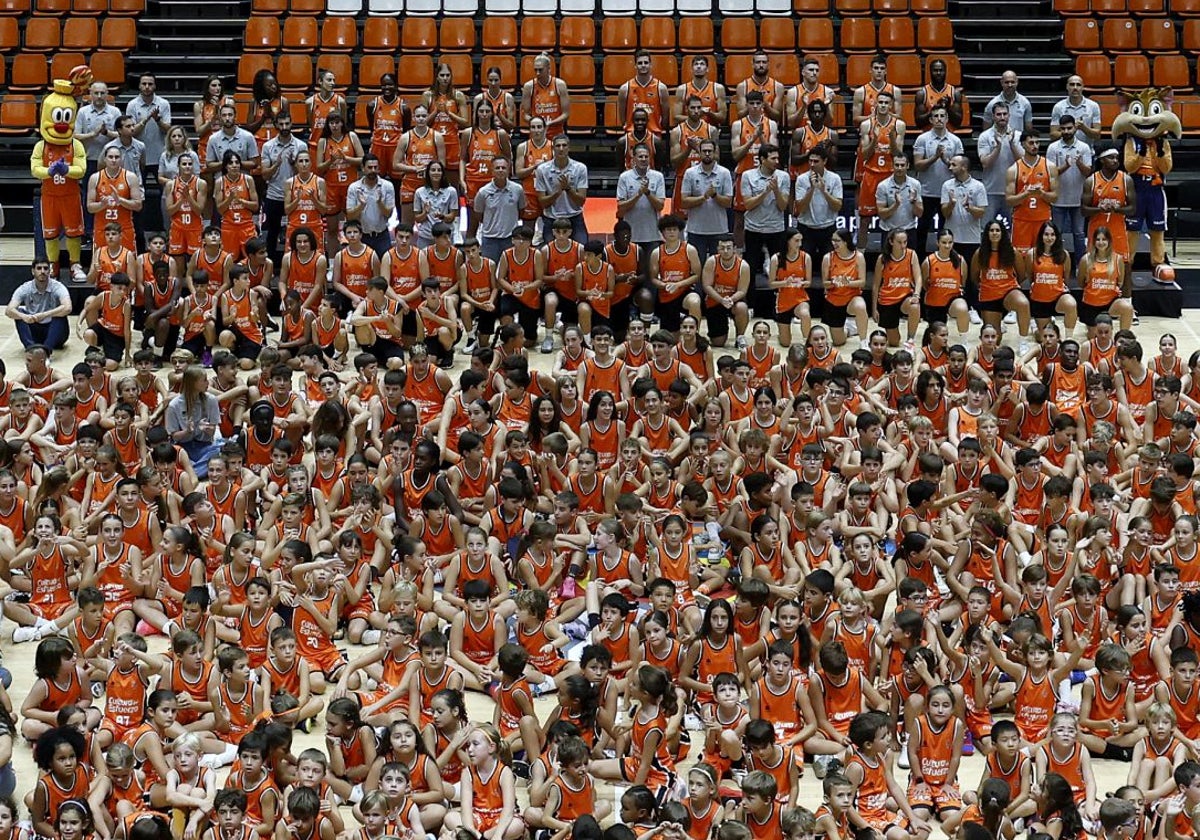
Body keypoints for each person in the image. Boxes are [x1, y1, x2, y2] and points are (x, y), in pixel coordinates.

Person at [740, 143, 789, 315]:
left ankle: (780, 305)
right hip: (754, 228)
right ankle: (751, 306)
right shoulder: (747, 176)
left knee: (779, 269)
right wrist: (765, 192)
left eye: (778, 158)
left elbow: (783, 207)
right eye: (773, 158)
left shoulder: (783, 176)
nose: (777, 161)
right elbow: (748, 204)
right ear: (762, 159)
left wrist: (776, 191)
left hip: (776, 229)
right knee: (751, 268)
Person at [912, 106, 963, 256]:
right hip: (926, 191)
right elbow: (918, 165)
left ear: (947, 119)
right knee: (922, 229)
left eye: (942, 116)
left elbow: (959, 168)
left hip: (947, 193)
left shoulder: (955, 141)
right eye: (936, 116)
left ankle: (946, 259)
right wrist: (934, 158)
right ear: (931, 120)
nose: (939, 119)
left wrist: (945, 160)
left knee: (946, 230)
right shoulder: (922, 139)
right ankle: (920, 261)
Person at [74, 81, 122, 239]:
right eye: (96, 93)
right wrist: (93, 135)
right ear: (91, 94)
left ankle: (112, 230)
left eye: (103, 93)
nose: (100, 96)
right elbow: (76, 136)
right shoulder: (83, 112)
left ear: (107, 94)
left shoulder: (114, 112)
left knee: (111, 196)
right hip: (89, 160)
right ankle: (88, 231)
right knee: (90, 197)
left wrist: (107, 132)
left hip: (111, 163)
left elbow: (122, 134)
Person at [731, 91, 778, 248]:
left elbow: (773, 155)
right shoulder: (738, 125)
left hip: (765, 177)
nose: (755, 107)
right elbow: (736, 155)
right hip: (744, 175)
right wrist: (752, 140)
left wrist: (762, 137)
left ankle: (765, 255)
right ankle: (738, 252)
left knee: (767, 216)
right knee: (739, 219)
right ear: (747, 105)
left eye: (758, 103)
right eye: (752, 103)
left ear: (763, 105)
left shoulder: (771, 125)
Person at [126, 73, 171, 231]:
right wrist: (145, 119)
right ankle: (137, 229)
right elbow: (131, 131)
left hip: (160, 156)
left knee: (165, 195)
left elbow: (169, 129)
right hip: (138, 157)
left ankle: (166, 229)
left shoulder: (163, 104)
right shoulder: (132, 105)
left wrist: (157, 119)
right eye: (144, 83)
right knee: (137, 195)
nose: (147, 87)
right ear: (139, 86)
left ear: (155, 86)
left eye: (150, 84)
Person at [1047, 115, 1094, 266]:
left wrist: (1079, 162)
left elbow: (1088, 173)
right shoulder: (1053, 148)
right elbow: (1050, 173)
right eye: (1063, 129)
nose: (1067, 131)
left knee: (1079, 234)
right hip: (1059, 199)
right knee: (1057, 234)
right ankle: (1057, 264)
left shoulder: (1084, 147)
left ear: (1075, 128)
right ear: (1059, 129)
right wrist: (1066, 165)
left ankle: (1080, 265)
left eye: (1069, 128)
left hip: (1078, 199)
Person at [460, 101, 512, 235]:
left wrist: (505, 179)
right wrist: (462, 180)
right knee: (472, 223)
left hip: (492, 181)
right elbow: (462, 159)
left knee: (493, 220)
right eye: (481, 111)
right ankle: (470, 252)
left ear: (491, 114)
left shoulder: (500, 134)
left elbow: (508, 158)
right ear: (476, 113)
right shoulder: (468, 133)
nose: (484, 114)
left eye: (487, 111)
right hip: (473, 180)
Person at [680, 138, 733, 269]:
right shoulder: (690, 173)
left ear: (715, 153)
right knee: (697, 269)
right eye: (704, 151)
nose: (707, 154)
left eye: (710, 151)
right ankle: (697, 291)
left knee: (719, 268)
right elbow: (684, 202)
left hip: (719, 230)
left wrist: (714, 195)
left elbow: (728, 203)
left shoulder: (724, 173)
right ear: (699, 153)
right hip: (696, 230)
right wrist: (704, 197)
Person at [259, 112, 304, 266]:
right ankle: (269, 266)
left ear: (292, 124)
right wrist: (276, 165)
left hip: (295, 196)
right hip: (274, 195)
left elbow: (305, 174)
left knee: (297, 234)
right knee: (272, 234)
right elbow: (264, 175)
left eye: (287, 124)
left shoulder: (300, 145)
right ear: (276, 125)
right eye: (281, 124)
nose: (284, 127)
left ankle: (296, 265)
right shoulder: (268, 146)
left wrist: (293, 164)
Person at [315, 112, 363, 256]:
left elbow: (362, 160)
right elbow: (319, 167)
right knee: (332, 228)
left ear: (342, 123)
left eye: (337, 122)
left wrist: (345, 158)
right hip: (331, 187)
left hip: (351, 186)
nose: (334, 126)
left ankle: (355, 255)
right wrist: (331, 160)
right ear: (328, 125)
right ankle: (330, 262)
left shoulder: (351, 137)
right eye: (331, 123)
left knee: (354, 226)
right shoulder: (323, 141)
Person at [856, 92, 905, 234]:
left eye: (886, 103)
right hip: (871, 174)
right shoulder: (866, 125)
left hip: (890, 176)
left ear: (891, 105)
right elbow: (864, 154)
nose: (883, 105)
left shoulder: (899, 125)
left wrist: (892, 141)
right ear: (876, 104)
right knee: (864, 221)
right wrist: (874, 140)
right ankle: (861, 254)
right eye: (880, 102)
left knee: (893, 219)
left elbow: (898, 155)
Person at [792, 144, 842, 272]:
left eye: (816, 161)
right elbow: (800, 208)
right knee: (801, 268)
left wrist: (824, 191)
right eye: (810, 161)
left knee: (832, 269)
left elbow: (837, 206)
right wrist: (812, 188)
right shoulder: (802, 179)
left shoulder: (834, 178)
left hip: (828, 229)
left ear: (825, 161)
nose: (812, 164)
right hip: (806, 229)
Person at [166, 365, 224, 477]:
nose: (208, 383)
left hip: (204, 446)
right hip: (184, 448)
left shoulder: (211, 400)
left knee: (223, 451)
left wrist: (207, 429)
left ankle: (190, 471)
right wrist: (187, 431)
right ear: (193, 383)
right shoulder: (174, 405)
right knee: (174, 455)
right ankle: (200, 470)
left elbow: (212, 431)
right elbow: (174, 437)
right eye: (204, 380)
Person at [1006, 131, 1059, 251]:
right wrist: (1026, 194)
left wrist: (1042, 194)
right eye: (1031, 143)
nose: (1035, 146)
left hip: (1043, 220)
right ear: (1023, 144)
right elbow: (1009, 201)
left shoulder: (1049, 166)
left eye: (1037, 142)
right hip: (1021, 220)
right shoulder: (1014, 169)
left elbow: (1055, 197)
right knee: (1020, 257)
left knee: (1041, 255)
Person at [1082, 146, 1136, 261]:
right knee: (1093, 267)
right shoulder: (1091, 181)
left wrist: (1117, 209)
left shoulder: (1126, 180)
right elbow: (1083, 210)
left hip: (1118, 231)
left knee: (1124, 268)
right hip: (1096, 231)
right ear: (1102, 160)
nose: (1115, 161)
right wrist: (1100, 209)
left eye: (1117, 158)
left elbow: (1132, 209)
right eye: (1111, 158)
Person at [394, 104, 444, 227]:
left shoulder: (437, 137)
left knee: (433, 224)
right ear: (414, 118)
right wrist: (414, 169)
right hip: (410, 183)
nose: (421, 118)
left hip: (430, 184)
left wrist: (430, 170)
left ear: (428, 117)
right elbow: (395, 164)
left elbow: (443, 164)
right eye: (418, 116)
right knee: (406, 225)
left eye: (424, 116)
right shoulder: (405, 137)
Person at [87, 145, 144, 253]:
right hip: (102, 229)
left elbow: (138, 205)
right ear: (105, 159)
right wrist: (102, 204)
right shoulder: (95, 178)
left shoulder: (130, 177)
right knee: (100, 265)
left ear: (121, 159)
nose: (113, 160)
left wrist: (120, 200)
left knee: (127, 265)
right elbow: (90, 207)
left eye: (117, 157)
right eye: (110, 157)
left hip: (124, 229)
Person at [616, 144, 666, 266]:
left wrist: (647, 193)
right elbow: (621, 206)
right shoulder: (625, 177)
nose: (643, 159)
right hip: (631, 236)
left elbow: (660, 206)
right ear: (633, 159)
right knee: (633, 271)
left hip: (652, 235)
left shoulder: (658, 177)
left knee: (651, 273)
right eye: (640, 156)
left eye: (646, 156)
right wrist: (638, 194)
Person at [6, 258, 72, 350]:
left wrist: (45, 314)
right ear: (33, 271)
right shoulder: (25, 288)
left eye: (45, 268)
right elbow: (9, 310)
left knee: (60, 314)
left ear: (50, 271)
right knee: (19, 312)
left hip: (56, 334)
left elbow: (68, 308)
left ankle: (46, 352)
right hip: (35, 330)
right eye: (39, 268)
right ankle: (31, 349)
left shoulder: (58, 287)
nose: (42, 271)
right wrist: (24, 317)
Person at [423, 63, 470, 189]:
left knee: (453, 182)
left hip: (452, 142)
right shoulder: (428, 95)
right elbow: (422, 122)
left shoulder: (457, 95)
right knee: (433, 178)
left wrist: (449, 113)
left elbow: (466, 122)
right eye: (442, 75)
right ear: (437, 77)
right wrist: (435, 112)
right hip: (434, 142)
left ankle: (455, 207)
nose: (445, 78)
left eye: (448, 75)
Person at [535, 134, 589, 245]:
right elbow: (542, 203)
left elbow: (581, 201)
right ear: (553, 148)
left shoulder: (580, 168)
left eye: (564, 145)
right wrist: (557, 192)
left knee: (583, 249)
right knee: (548, 253)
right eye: (558, 146)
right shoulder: (542, 170)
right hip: (551, 218)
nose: (561, 149)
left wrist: (568, 189)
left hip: (574, 217)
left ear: (569, 148)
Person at [670, 96, 719, 217]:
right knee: (679, 221)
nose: (696, 111)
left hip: (706, 179)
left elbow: (717, 159)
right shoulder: (677, 131)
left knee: (705, 218)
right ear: (686, 109)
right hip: (683, 178)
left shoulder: (711, 130)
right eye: (693, 108)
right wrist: (688, 149)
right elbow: (674, 162)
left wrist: (697, 149)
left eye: (699, 107)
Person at [940, 155, 989, 270]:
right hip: (951, 240)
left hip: (972, 239)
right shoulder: (947, 185)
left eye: (954, 165)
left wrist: (969, 208)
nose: (950, 168)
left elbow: (981, 213)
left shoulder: (978, 186)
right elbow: (945, 214)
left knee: (970, 276)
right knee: (952, 273)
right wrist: (951, 204)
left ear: (964, 167)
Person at [977, 102, 1023, 225]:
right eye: (998, 114)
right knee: (987, 229)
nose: (1002, 117)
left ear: (1009, 115)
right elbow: (985, 163)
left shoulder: (1018, 136)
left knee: (1013, 230)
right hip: (991, 191)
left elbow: (1023, 163)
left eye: (1004, 114)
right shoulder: (984, 136)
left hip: (1013, 191)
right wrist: (997, 148)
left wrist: (1012, 144)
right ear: (993, 116)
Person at [474, 157, 526, 264]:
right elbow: (479, 215)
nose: (501, 170)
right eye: (497, 168)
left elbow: (521, 211)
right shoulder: (483, 192)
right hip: (490, 240)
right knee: (489, 272)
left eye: (504, 168)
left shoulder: (518, 189)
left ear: (508, 170)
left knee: (510, 271)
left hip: (510, 239)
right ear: (492, 170)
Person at [345, 154, 396, 258]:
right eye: (370, 167)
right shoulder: (354, 188)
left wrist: (379, 202)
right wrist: (361, 205)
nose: (373, 170)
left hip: (382, 235)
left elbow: (388, 214)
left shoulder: (387, 186)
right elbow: (350, 217)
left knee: (385, 268)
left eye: (375, 167)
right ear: (363, 168)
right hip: (362, 236)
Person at [515, 116, 553, 237]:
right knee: (527, 231)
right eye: (533, 127)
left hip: (548, 193)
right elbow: (519, 173)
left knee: (549, 231)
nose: (536, 130)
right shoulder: (523, 147)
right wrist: (534, 167)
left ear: (544, 128)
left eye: (539, 127)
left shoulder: (553, 147)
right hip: (530, 192)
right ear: (529, 129)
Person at [618, 52, 669, 139]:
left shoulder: (661, 88)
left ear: (650, 65)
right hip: (632, 135)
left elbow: (665, 116)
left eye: (646, 62)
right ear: (635, 66)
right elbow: (623, 118)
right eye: (640, 63)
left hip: (654, 134)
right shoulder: (625, 88)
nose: (643, 65)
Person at [367, 73, 407, 181]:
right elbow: (372, 126)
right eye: (384, 85)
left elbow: (406, 130)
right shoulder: (372, 105)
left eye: (390, 84)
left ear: (395, 85)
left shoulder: (403, 106)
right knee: (376, 178)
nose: (386, 87)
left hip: (395, 147)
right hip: (378, 146)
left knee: (397, 180)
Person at [522, 54, 571, 139]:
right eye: (535, 70)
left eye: (540, 70)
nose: (537, 73)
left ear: (549, 69)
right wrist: (538, 124)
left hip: (556, 134)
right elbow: (525, 115)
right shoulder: (529, 86)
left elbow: (566, 114)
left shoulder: (559, 85)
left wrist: (549, 123)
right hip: (537, 134)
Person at [412, 161, 459, 250]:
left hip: (445, 236)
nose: (436, 173)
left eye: (439, 170)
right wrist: (425, 213)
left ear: (443, 173)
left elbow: (452, 216)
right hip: (426, 237)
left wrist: (442, 216)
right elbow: (417, 219)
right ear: (428, 173)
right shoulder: (419, 192)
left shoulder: (451, 191)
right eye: (433, 170)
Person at [876, 155, 923, 241]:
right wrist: (896, 204)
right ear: (892, 166)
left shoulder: (915, 184)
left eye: (902, 165)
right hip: (889, 231)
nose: (899, 168)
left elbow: (919, 214)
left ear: (908, 166)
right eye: (897, 165)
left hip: (909, 230)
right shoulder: (883, 186)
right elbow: (882, 214)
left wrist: (914, 202)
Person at [204, 103, 258, 177]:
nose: (227, 118)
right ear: (220, 118)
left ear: (235, 116)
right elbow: (209, 165)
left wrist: (235, 163)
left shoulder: (248, 136)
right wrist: (226, 163)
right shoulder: (213, 139)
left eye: (230, 115)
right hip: (221, 183)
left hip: (243, 182)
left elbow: (254, 163)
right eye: (224, 115)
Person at [672, 55, 727, 127]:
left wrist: (709, 113)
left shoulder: (718, 88)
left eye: (702, 64)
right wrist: (696, 116)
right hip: (688, 131)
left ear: (707, 69)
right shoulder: (682, 89)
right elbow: (676, 117)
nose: (698, 66)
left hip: (710, 131)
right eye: (696, 64)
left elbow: (723, 118)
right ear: (692, 69)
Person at [784, 56, 836, 132]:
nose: (814, 73)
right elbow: (791, 124)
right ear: (803, 72)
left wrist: (826, 106)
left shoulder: (827, 92)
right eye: (811, 70)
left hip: (821, 134)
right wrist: (804, 106)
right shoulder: (793, 92)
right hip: (801, 135)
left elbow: (829, 123)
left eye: (817, 70)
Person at [193, 74, 233, 170]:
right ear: (207, 88)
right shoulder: (199, 105)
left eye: (219, 85)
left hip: (225, 145)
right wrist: (211, 121)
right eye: (214, 85)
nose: (217, 88)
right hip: (205, 146)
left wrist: (218, 110)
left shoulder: (228, 102)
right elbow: (199, 131)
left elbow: (230, 125)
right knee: (208, 181)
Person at [305, 67, 346, 160]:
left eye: (334, 80)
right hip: (315, 145)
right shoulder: (310, 102)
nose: (333, 83)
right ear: (320, 81)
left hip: (333, 146)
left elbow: (343, 125)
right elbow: (311, 123)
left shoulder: (340, 102)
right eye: (329, 80)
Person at [1050, 75, 1102, 147]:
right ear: (1067, 87)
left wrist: (1083, 128)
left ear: (1082, 87)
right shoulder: (1058, 107)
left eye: (1078, 85)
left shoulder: (1093, 106)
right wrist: (1069, 131)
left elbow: (1097, 135)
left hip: (1086, 153)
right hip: (1063, 152)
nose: (1075, 88)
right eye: (1072, 85)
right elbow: (1053, 135)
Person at [851, 54, 901, 128]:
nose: (879, 71)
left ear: (886, 71)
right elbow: (855, 121)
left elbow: (899, 118)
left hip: (889, 131)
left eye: (882, 68)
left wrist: (885, 114)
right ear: (870, 70)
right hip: (868, 131)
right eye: (876, 68)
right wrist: (872, 117)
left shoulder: (895, 91)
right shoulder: (860, 92)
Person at [914, 58, 964, 130]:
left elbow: (958, 122)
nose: (938, 73)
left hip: (948, 136)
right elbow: (919, 123)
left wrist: (948, 108)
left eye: (941, 70)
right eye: (935, 70)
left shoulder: (955, 93)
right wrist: (934, 109)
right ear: (930, 72)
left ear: (945, 72)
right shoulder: (922, 94)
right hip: (929, 136)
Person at [736, 51, 785, 125]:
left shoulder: (778, 86)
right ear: (753, 64)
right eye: (758, 62)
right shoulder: (742, 86)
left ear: (768, 64)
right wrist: (753, 101)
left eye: (764, 62)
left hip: (770, 127)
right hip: (748, 127)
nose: (761, 65)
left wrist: (764, 103)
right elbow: (740, 116)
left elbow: (777, 117)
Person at [475, 64, 518, 133]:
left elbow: (511, 126)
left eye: (496, 80)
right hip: (485, 132)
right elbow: (475, 123)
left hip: (503, 133)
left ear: (500, 80)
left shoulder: (508, 97)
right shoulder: (479, 98)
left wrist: (499, 116)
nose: (493, 83)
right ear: (487, 80)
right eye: (490, 80)